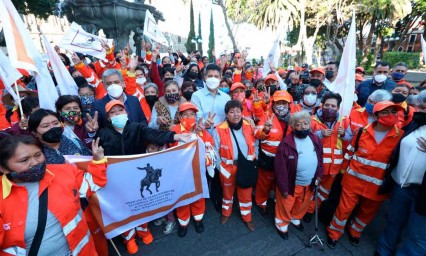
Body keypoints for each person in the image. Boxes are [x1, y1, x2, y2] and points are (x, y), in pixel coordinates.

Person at [96, 100, 191, 254]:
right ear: (107, 117)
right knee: (123, 209)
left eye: (120, 110)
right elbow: (96, 155)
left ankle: (143, 231)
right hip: (117, 181)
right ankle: (129, 238)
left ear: (126, 112)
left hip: (136, 176)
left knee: (140, 204)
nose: (117, 114)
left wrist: (176, 137)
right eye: (113, 113)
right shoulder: (102, 134)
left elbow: (155, 134)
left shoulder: (136, 127)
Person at [0, 135, 107, 255]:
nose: (35, 163)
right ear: (4, 168)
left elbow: (92, 184)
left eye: (38, 155)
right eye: (24, 160)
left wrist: (99, 161)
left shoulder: (64, 171)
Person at [327, 101, 405, 248]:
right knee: (344, 209)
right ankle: (334, 233)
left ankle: (355, 232)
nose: (391, 115)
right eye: (386, 112)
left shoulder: (401, 137)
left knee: (366, 213)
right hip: (353, 180)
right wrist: (342, 173)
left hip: (378, 186)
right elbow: (350, 152)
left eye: (394, 112)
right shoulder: (361, 132)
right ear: (376, 116)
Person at [376, 90, 426, 256]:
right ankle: (383, 251)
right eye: (419, 106)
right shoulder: (415, 124)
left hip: (423, 193)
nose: (419, 110)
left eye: (424, 107)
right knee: (393, 222)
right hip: (401, 186)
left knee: (417, 236)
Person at [274, 111, 324, 239]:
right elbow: (280, 169)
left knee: (303, 203)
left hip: (308, 183)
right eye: (299, 124)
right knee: (285, 204)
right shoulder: (286, 143)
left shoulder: (315, 139)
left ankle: (295, 218)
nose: (303, 126)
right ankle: (281, 223)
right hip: (292, 184)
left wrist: (319, 174)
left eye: (306, 123)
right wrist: (283, 188)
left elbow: (320, 159)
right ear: (293, 126)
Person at [303, 92, 352, 222]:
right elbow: (304, 138)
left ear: (338, 108)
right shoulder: (312, 120)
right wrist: (319, 134)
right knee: (311, 190)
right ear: (322, 106)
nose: (330, 108)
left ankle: (314, 210)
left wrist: (344, 135)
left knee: (324, 192)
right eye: (327, 105)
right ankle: (306, 210)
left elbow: (351, 140)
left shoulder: (344, 121)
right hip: (316, 166)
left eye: (333, 106)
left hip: (334, 167)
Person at [170, 102, 215, 237]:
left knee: (198, 197)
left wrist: (206, 160)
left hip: (197, 172)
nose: (189, 117)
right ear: (179, 116)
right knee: (182, 198)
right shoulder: (175, 131)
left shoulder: (202, 129)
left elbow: (210, 147)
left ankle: (198, 219)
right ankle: (183, 223)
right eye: (186, 114)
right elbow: (174, 149)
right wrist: (193, 134)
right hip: (180, 173)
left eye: (192, 114)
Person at [213, 100, 257, 231]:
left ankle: (247, 218)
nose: (235, 114)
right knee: (227, 193)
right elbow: (215, 151)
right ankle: (226, 213)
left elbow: (257, 144)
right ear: (226, 114)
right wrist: (220, 168)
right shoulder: (219, 129)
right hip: (227, 169)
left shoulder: (249, 125)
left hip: (246, 166)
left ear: (242, 113)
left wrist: (254, 159)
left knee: (246, 194)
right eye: (232, 112)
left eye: (238, 111)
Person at [254, 90, 294, 214]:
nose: (281, 105)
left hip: (285, 159)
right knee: (264, 182)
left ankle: (276, 201)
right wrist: (265, 130)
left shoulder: (294, 118)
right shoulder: (266, 116)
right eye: (278, 102)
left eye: (284, 102)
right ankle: (261, 203)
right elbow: (256, 133)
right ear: (273, 103)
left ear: (289, 104)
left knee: (280, 181)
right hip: (268, 158)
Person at [191, 64, 231, 134]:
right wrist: (205, 123)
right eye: (210, 76)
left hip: (222, 135)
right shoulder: (196, 96)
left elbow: (229, 117)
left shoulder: (226, 98)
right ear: (205, 78)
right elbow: (197, 117)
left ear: (220, 78)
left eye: (216, 76)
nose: (213, 79)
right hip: (203, 135)